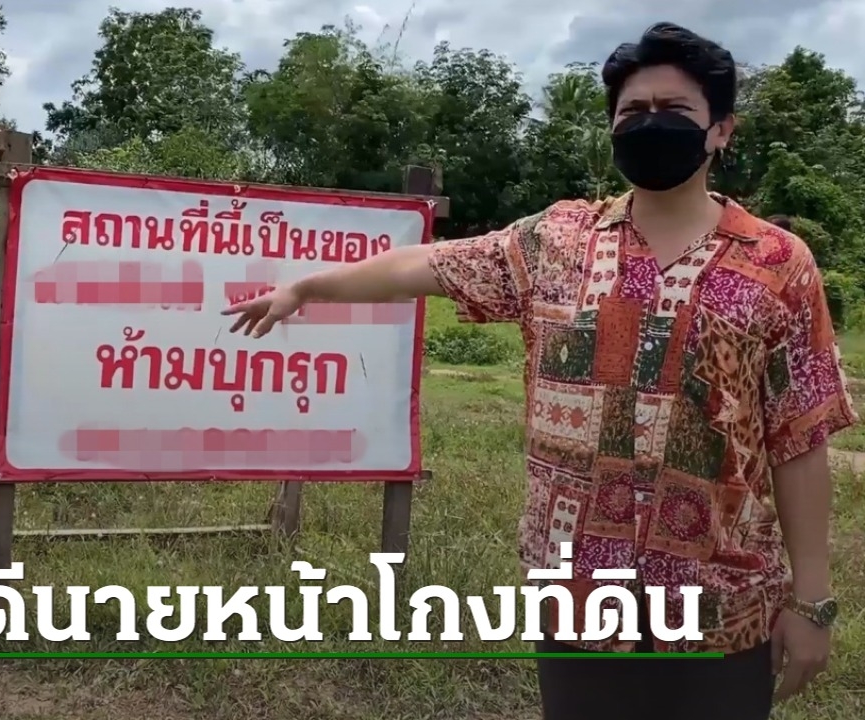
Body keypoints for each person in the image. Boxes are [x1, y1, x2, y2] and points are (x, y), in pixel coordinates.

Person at [222, 22, 857, 720]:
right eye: (633, 112)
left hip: (723, 605)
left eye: (674, 111)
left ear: (721, 130)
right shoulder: (557, 241)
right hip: (577, 599)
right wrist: (307, 287)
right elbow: (425, 265)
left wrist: (812, 602)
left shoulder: (778, 265)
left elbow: (799, 439)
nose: (650, 125)